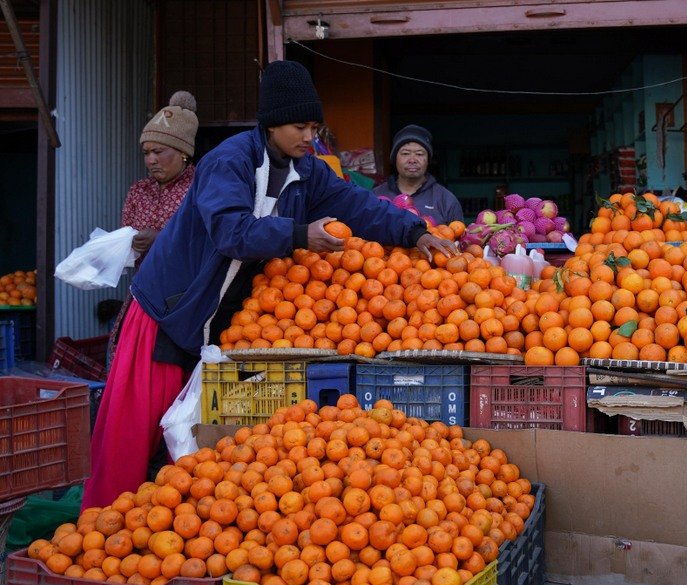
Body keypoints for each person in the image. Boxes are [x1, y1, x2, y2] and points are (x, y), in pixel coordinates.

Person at [83, 60, 456, 510]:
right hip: (167, 310)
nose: (308, 137)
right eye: (300, 126)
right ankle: (100, 529)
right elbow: (230, 231)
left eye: (314, 127)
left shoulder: (309, 168)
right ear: (272, 122)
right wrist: (300, 235)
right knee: (129, 436)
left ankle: (158, 532)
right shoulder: (229, 161)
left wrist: (415, 232)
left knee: (185, 448)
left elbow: (359, 206)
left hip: (216, 324)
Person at [106, 91, 199, 368]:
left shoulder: (199, 187)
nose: (151, 161)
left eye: (159, 152)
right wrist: (119, 248)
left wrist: (161, 239)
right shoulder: (139, 191)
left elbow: (207, 241)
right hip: (143, 297)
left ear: (183, 152)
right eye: (147, 153)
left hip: (184, 301)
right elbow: (127, 248)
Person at [374, 124, 463, 225]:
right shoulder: (375, 196)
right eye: (405, 153)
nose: (412, 160)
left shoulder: (445, 199)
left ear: (428, 160)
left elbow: (458, 237)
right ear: (395, 158)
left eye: (419, 154)